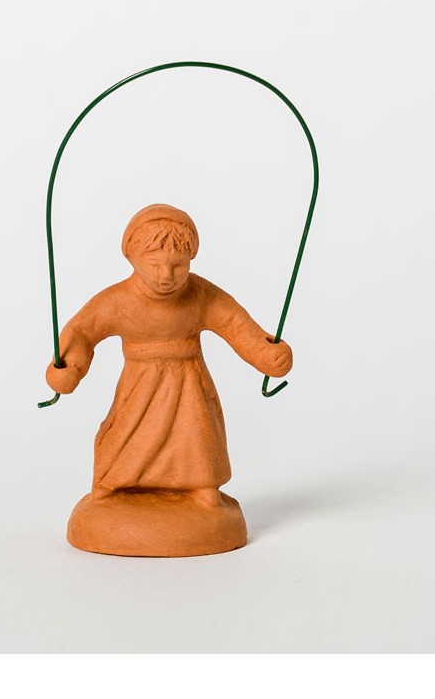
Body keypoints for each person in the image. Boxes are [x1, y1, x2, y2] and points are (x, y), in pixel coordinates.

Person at [46, 203, 292, 509]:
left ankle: (202, 485)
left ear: (190, 259)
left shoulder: (201, 294)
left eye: (178, 265)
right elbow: (83, 332)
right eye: (154, 265)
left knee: (195, 433)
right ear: (132, 259)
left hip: (189, 381)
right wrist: (69, 366)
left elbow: (234, 324)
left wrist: (267, 354)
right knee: (126, 433)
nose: (167, 276)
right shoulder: (117, 300)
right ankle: (111, 483)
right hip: (139, 383)